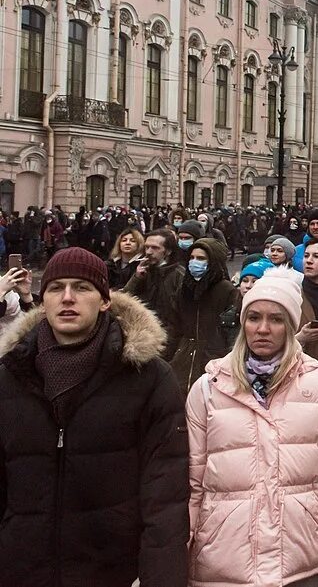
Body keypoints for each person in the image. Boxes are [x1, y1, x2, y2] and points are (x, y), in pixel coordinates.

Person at [0, 248, 189, 587]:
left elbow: (166, 495)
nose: (68, 297)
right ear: (44, 302)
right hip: (21, 569)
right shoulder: (10, 376)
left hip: (112, 570)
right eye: (56, 288)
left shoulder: (147, 377)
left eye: (82, 287)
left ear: (105, 300)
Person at [185, 270, 318, 587]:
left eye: (276, 319)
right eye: (254, 317)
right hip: (222, 560)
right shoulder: (207, 389)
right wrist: (175, 552)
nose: (263, 329)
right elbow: (191, 480)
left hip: (297, 557)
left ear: (292, 325)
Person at [169, 237, 238, 391]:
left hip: (213, 358)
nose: (194, 262)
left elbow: (231, 330)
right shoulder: (184, 289)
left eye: (201, 258)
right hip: (184, 356)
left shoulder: (226, 290)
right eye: (192, 258)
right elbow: (174, 325)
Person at [123, 227, 185, 336]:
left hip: (170, 336)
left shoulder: (179, 275)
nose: (149, 252)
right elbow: (125, 299)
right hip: (145, 333)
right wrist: (136, 278)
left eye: (155, 248)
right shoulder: (144, 271)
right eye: (147, 247)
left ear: (168, 251)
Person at [107, 226, 144, 291]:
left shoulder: (141, 264)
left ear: (139, 244)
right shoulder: (110, 264)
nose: (127, 243)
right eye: (124, 240)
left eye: (133, 241)